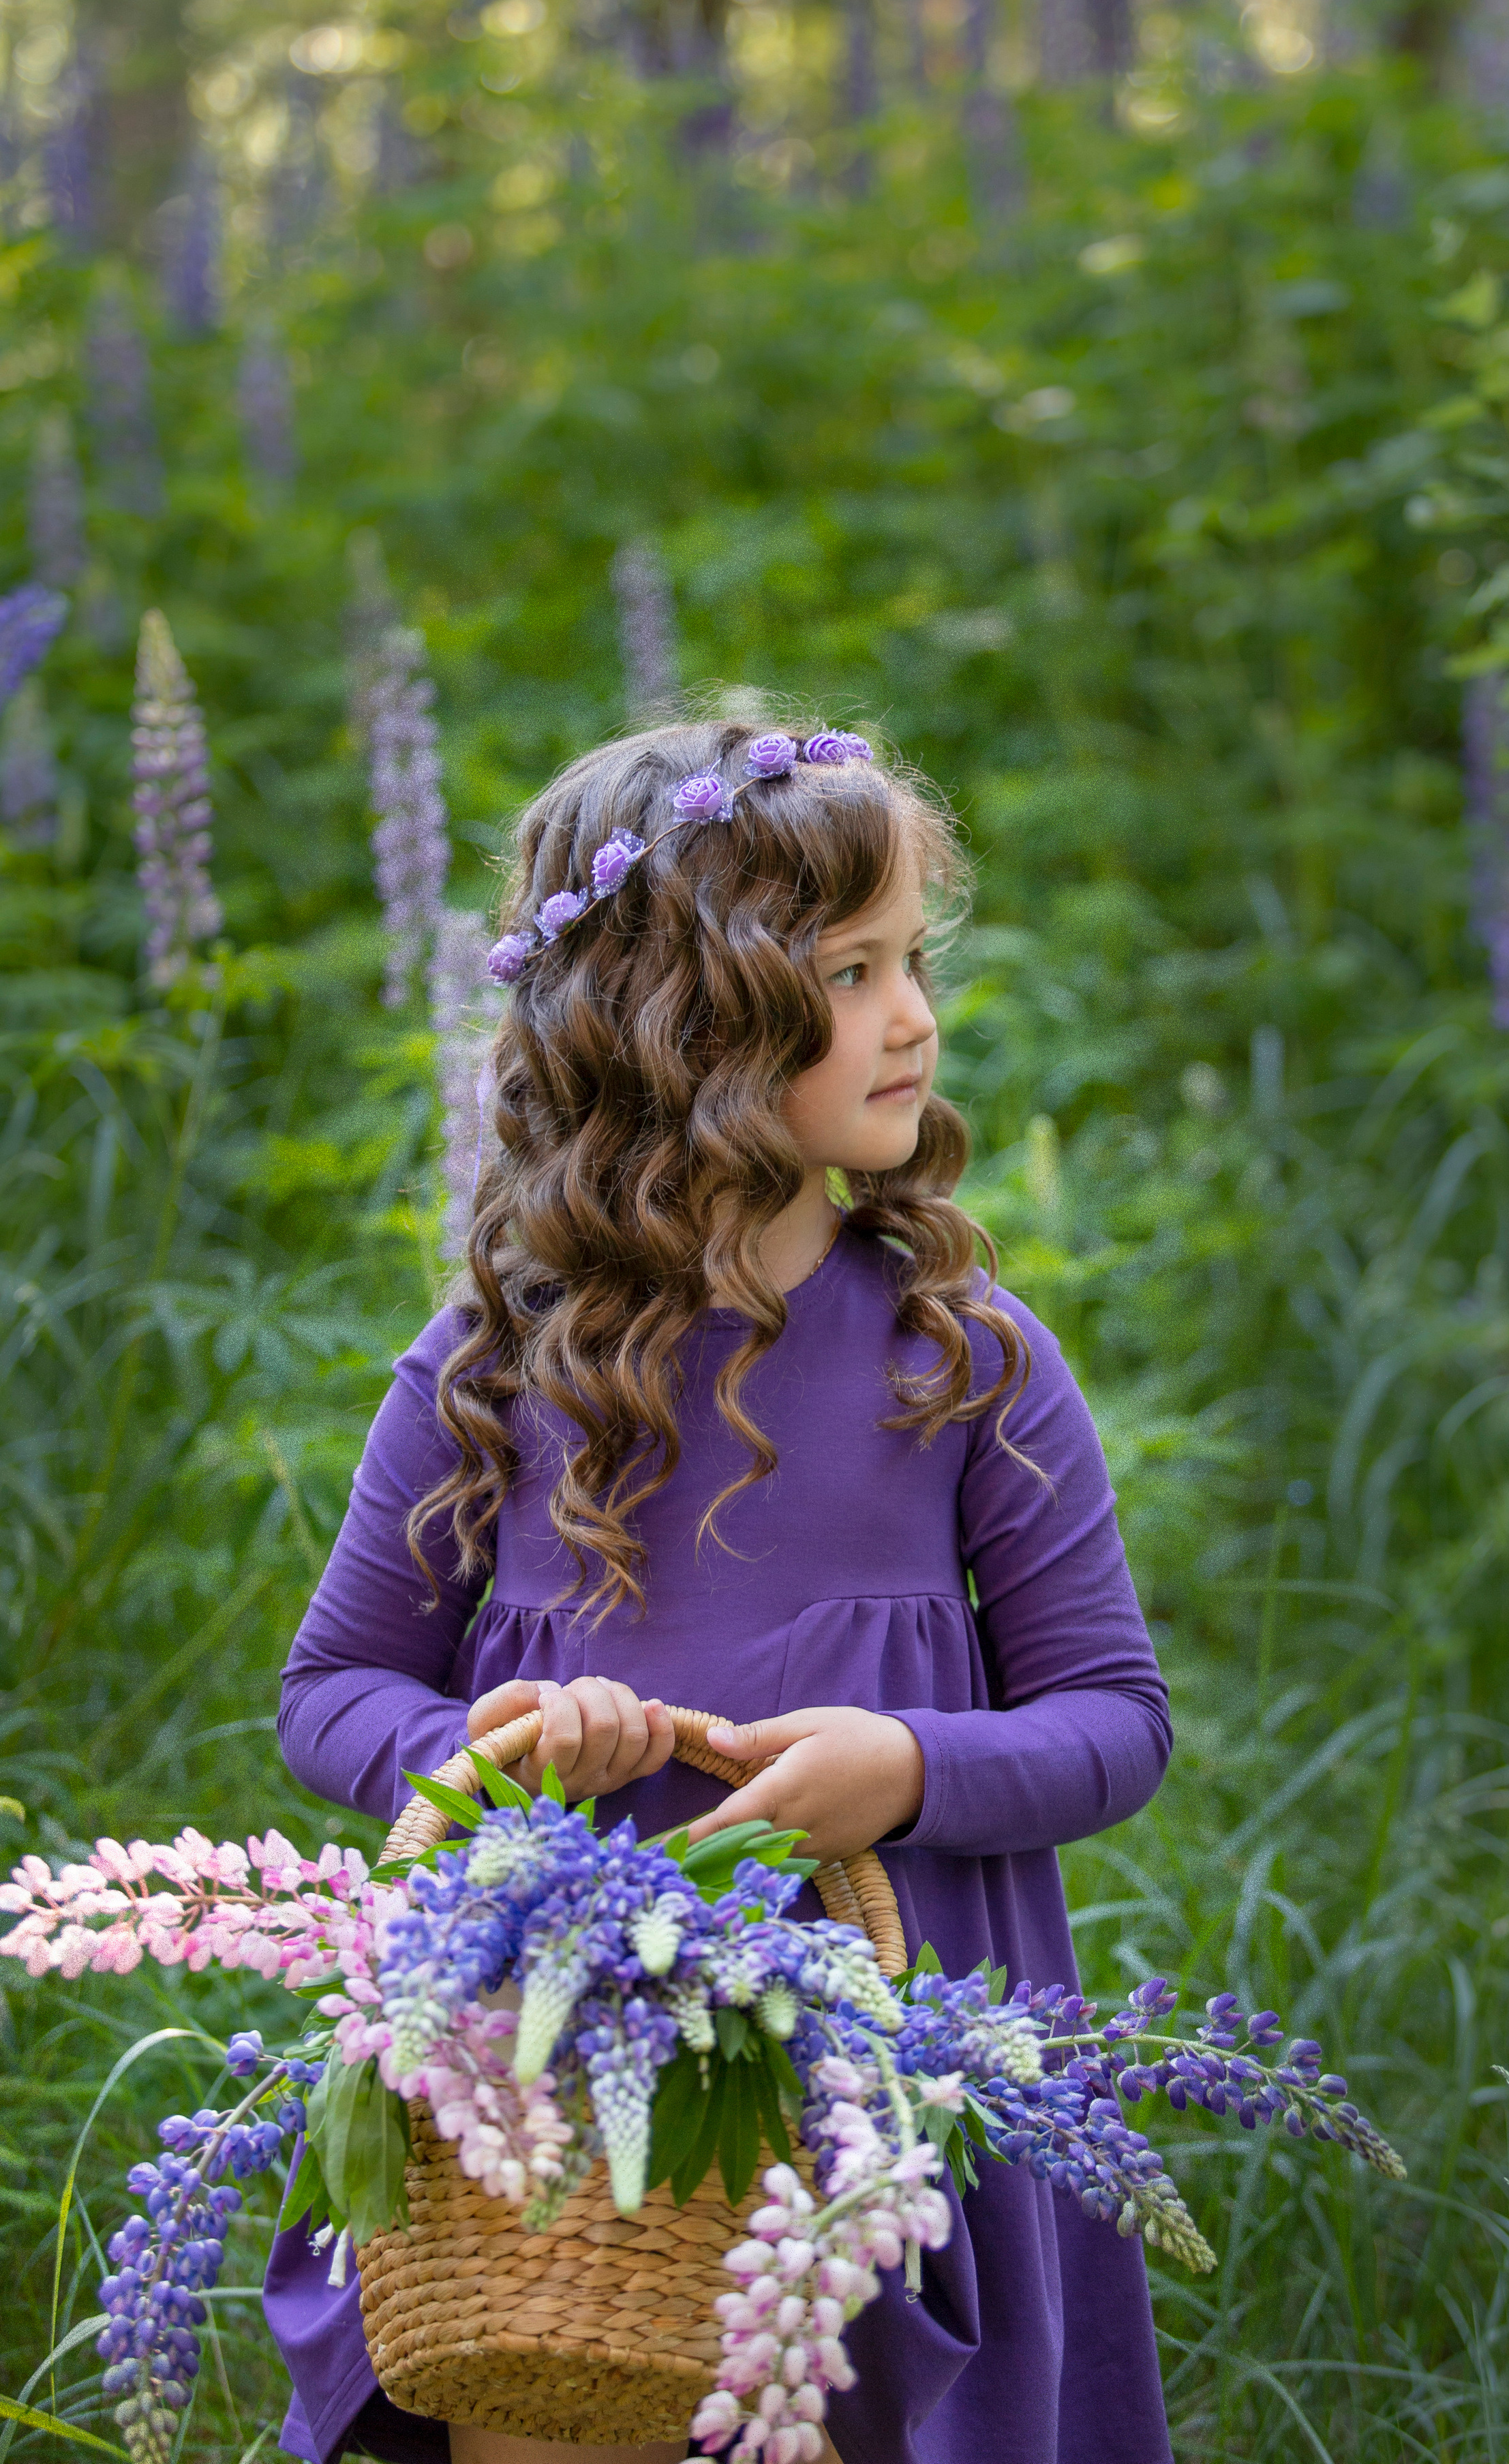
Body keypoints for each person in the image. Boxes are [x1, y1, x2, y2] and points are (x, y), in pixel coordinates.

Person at [262, 708, 1174, 2464]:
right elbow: (332, 1694)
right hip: (555, 2105)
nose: (912, 1017)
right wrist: (489, 1740)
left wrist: (903, 1771)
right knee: (559, 2412)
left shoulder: (964, 1359)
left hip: (882, 2093)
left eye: (914, 959)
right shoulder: (494, 1371)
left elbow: (1114, 1725)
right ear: (689, 1023)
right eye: (851, 972)